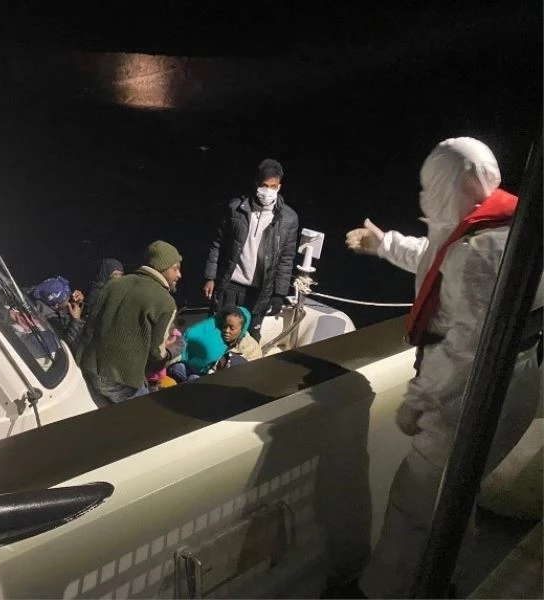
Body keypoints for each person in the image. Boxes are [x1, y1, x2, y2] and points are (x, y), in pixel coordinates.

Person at [344, 137, 542, 598]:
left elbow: (464, 345)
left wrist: (420, 400)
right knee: (453, 499)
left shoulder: (482, 249)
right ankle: (444, 583)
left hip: (470, 395)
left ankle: (380, 592)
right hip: (514, 382)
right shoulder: (504, 229)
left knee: (415, 502)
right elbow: (438, 258)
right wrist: (385, 244)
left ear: (448, 185)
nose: (423, 196)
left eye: (429, 185)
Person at [76, 241, 186, 404]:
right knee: (148, 413)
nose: (179, 275)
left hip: (89, 368)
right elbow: (157, 355)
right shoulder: (165, 302)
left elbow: (90, 326)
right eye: (175, 269)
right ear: (161, 267)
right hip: (121, 383)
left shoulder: (114, 284)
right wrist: (170, 350)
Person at [203, 158, 299, 341]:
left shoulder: (289, 218)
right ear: (256, 183)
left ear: (279, 186)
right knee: (219, 332)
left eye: (273, 186)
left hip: (260, 291)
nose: (268, 191)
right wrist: (210, 277)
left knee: (250, 337)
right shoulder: (234, 209)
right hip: (231, 284)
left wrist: (279, 293)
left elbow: (286, 259)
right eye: (264, 185)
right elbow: (218, 244)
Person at [168, 305, 263, 382]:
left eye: (232, 328)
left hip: (223, 381)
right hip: (198, 371)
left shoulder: (251, 349)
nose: (226, 331)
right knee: (177, 369)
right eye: (225, 326)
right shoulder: (216, 335)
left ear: (242, 330)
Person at [28, 275, 85, 352]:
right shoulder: (50, 322)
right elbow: (66, 348)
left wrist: (80, 303)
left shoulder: (36, 292)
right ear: (56, 306)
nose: (71, 300)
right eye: (68, 300)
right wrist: (75, 321)